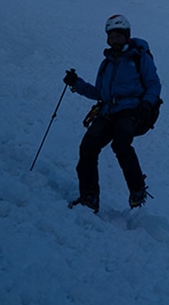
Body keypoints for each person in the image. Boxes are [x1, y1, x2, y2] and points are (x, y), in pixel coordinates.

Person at [64, 13, 161, 211]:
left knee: (121, 143)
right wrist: (77, 84)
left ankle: (137, 189)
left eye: (119, 35)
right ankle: (89, 197)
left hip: (131, 109)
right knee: (88, 147)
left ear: (127, 36)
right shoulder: (106, 63)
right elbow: (100, 93)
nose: (115, 39)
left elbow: (153, 84)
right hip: (108, 110)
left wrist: (146, 104)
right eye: (111, 35)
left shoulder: (139, 56)